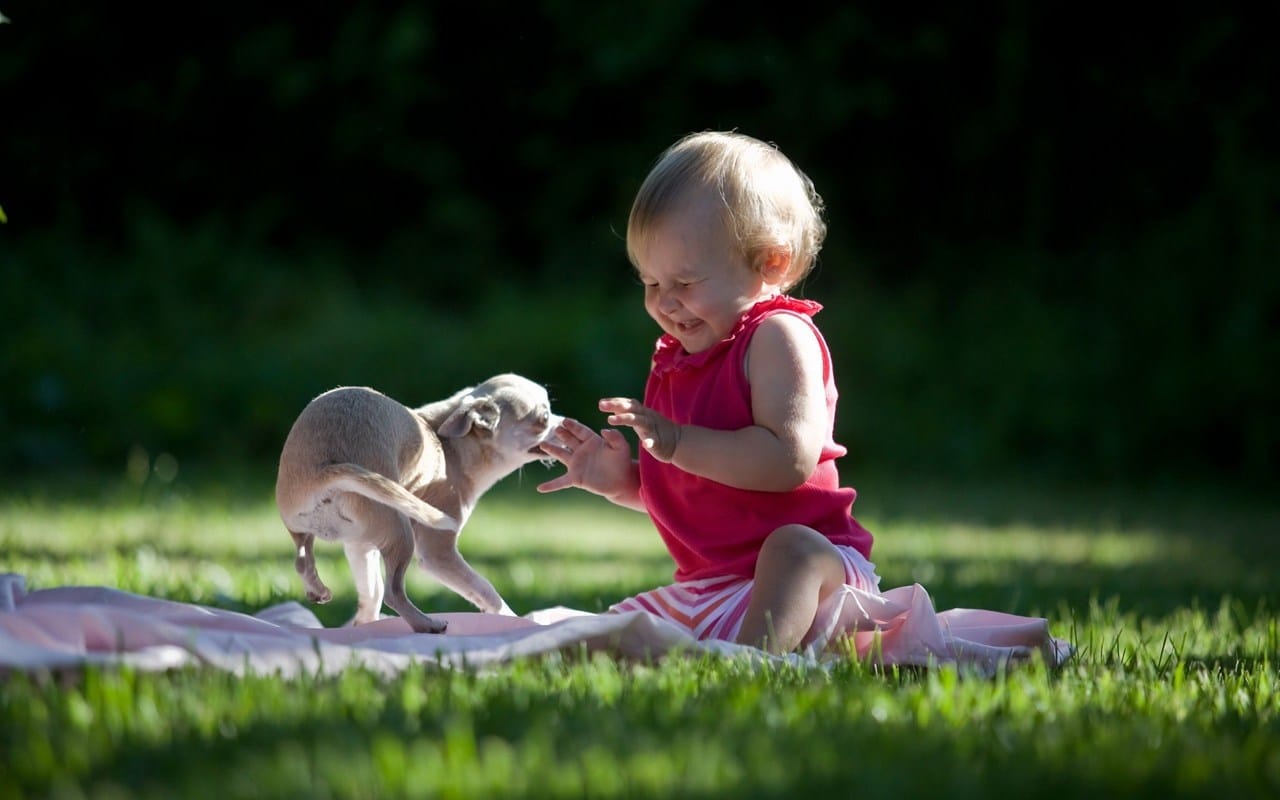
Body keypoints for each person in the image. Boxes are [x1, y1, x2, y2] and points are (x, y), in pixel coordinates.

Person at [537, 130, 879, 654]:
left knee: (791, 550)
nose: (666, 303)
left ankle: (752, 664)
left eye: (686, 282)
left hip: (817, 583)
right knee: (598, 642)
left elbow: (787, 460)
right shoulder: (679, 358)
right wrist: (624, 482)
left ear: (771, 263)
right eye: (651, 284)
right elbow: (701, 492)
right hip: (717, 591)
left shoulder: (777, 336)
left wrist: (675, 443)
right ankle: (736, 650)